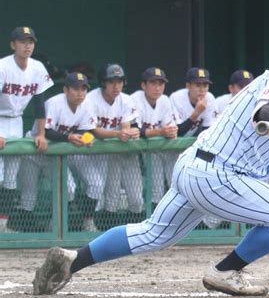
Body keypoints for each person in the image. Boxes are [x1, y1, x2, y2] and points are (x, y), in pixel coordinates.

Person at [32, 22, 269, 297]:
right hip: (218, 175)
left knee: (153, 234)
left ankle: (72, 261)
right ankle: (225, 271)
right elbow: (263, 112)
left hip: (195, 168)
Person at [14, 72, 99, 232]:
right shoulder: (54, 103)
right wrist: (69, 138)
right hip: (33, 152)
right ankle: (20, 230)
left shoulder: (88, 105)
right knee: (28, 195)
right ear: (66, 90)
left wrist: (86, 138)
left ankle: (55, 226)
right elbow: (45, 131)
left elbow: (87, 129)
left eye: (83, 88)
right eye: (75, 88)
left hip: (53, 156)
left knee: (69, 188)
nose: (80, 93)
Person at [0, 26, 53, 233]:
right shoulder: (3, 66)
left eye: (30, 41)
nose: (27, 45)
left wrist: (40, 133)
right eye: (22, 42)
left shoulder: (37, 68)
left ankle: (2, 225)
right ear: (13, 45)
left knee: (11, 178)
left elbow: (39, 104)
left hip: (17, 121)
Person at [88, 63, 144, 228]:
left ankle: (132, 232)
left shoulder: (126, 100)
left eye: (119, 81)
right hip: (98, 152)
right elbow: (94, 131)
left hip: (123, 152)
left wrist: (130, 132)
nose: (116, 85)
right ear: (103, 82)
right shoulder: (91, 99)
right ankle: (102, 228)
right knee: (110, 195)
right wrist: (119, 134)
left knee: (136, 199)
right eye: (112, 81)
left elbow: (126, 126)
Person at [130, 67, 178, 207]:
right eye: (153, 83)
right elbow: (137, 130)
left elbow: (170, 126)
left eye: (161, 83)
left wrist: (170, 131)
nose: (157, 88)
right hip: (132, 152)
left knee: (172, 186)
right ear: (143, 85)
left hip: (158, 150)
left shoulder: (164, 100)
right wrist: (161, 132)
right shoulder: (134, 99)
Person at [170, 67, 218, 137]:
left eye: (205, 85)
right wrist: (196, 113)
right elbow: (177, 133)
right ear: (188, 86)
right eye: (198, 85)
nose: (202, 90)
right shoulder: (176, 98)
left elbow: (208, 131)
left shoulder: (209, 98)